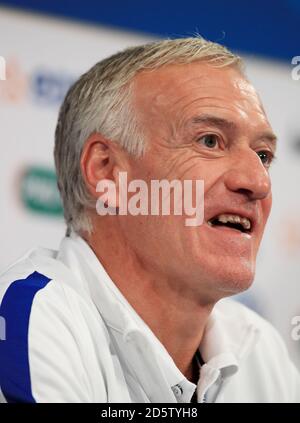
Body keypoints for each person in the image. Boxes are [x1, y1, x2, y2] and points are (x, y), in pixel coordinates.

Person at [0, 37, 299, 403]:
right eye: (209, 141)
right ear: (107, 171)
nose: (258, 182)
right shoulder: (32, 319)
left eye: (263, 155)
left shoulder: (260, 349)